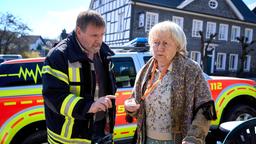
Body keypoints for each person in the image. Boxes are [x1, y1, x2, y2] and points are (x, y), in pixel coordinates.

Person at [124, 21, 217, 144]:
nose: (160, 48)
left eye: (166, 43)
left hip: (179, 140)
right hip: (146, 139)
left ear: (178, 46)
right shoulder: (145, 71)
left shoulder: (190, 70)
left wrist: (194, 138)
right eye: (156, 43)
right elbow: (135, 102)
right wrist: (130, 107)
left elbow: (205, 108)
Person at [42, 10, 116, 144]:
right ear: (79, 31)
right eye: (94, 35)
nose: (99, 40)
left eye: (102, 34)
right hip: (69, 137)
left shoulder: (105, 52)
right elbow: (53, 96)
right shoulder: (59, 56)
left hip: (102, 129)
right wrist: (89, 107)